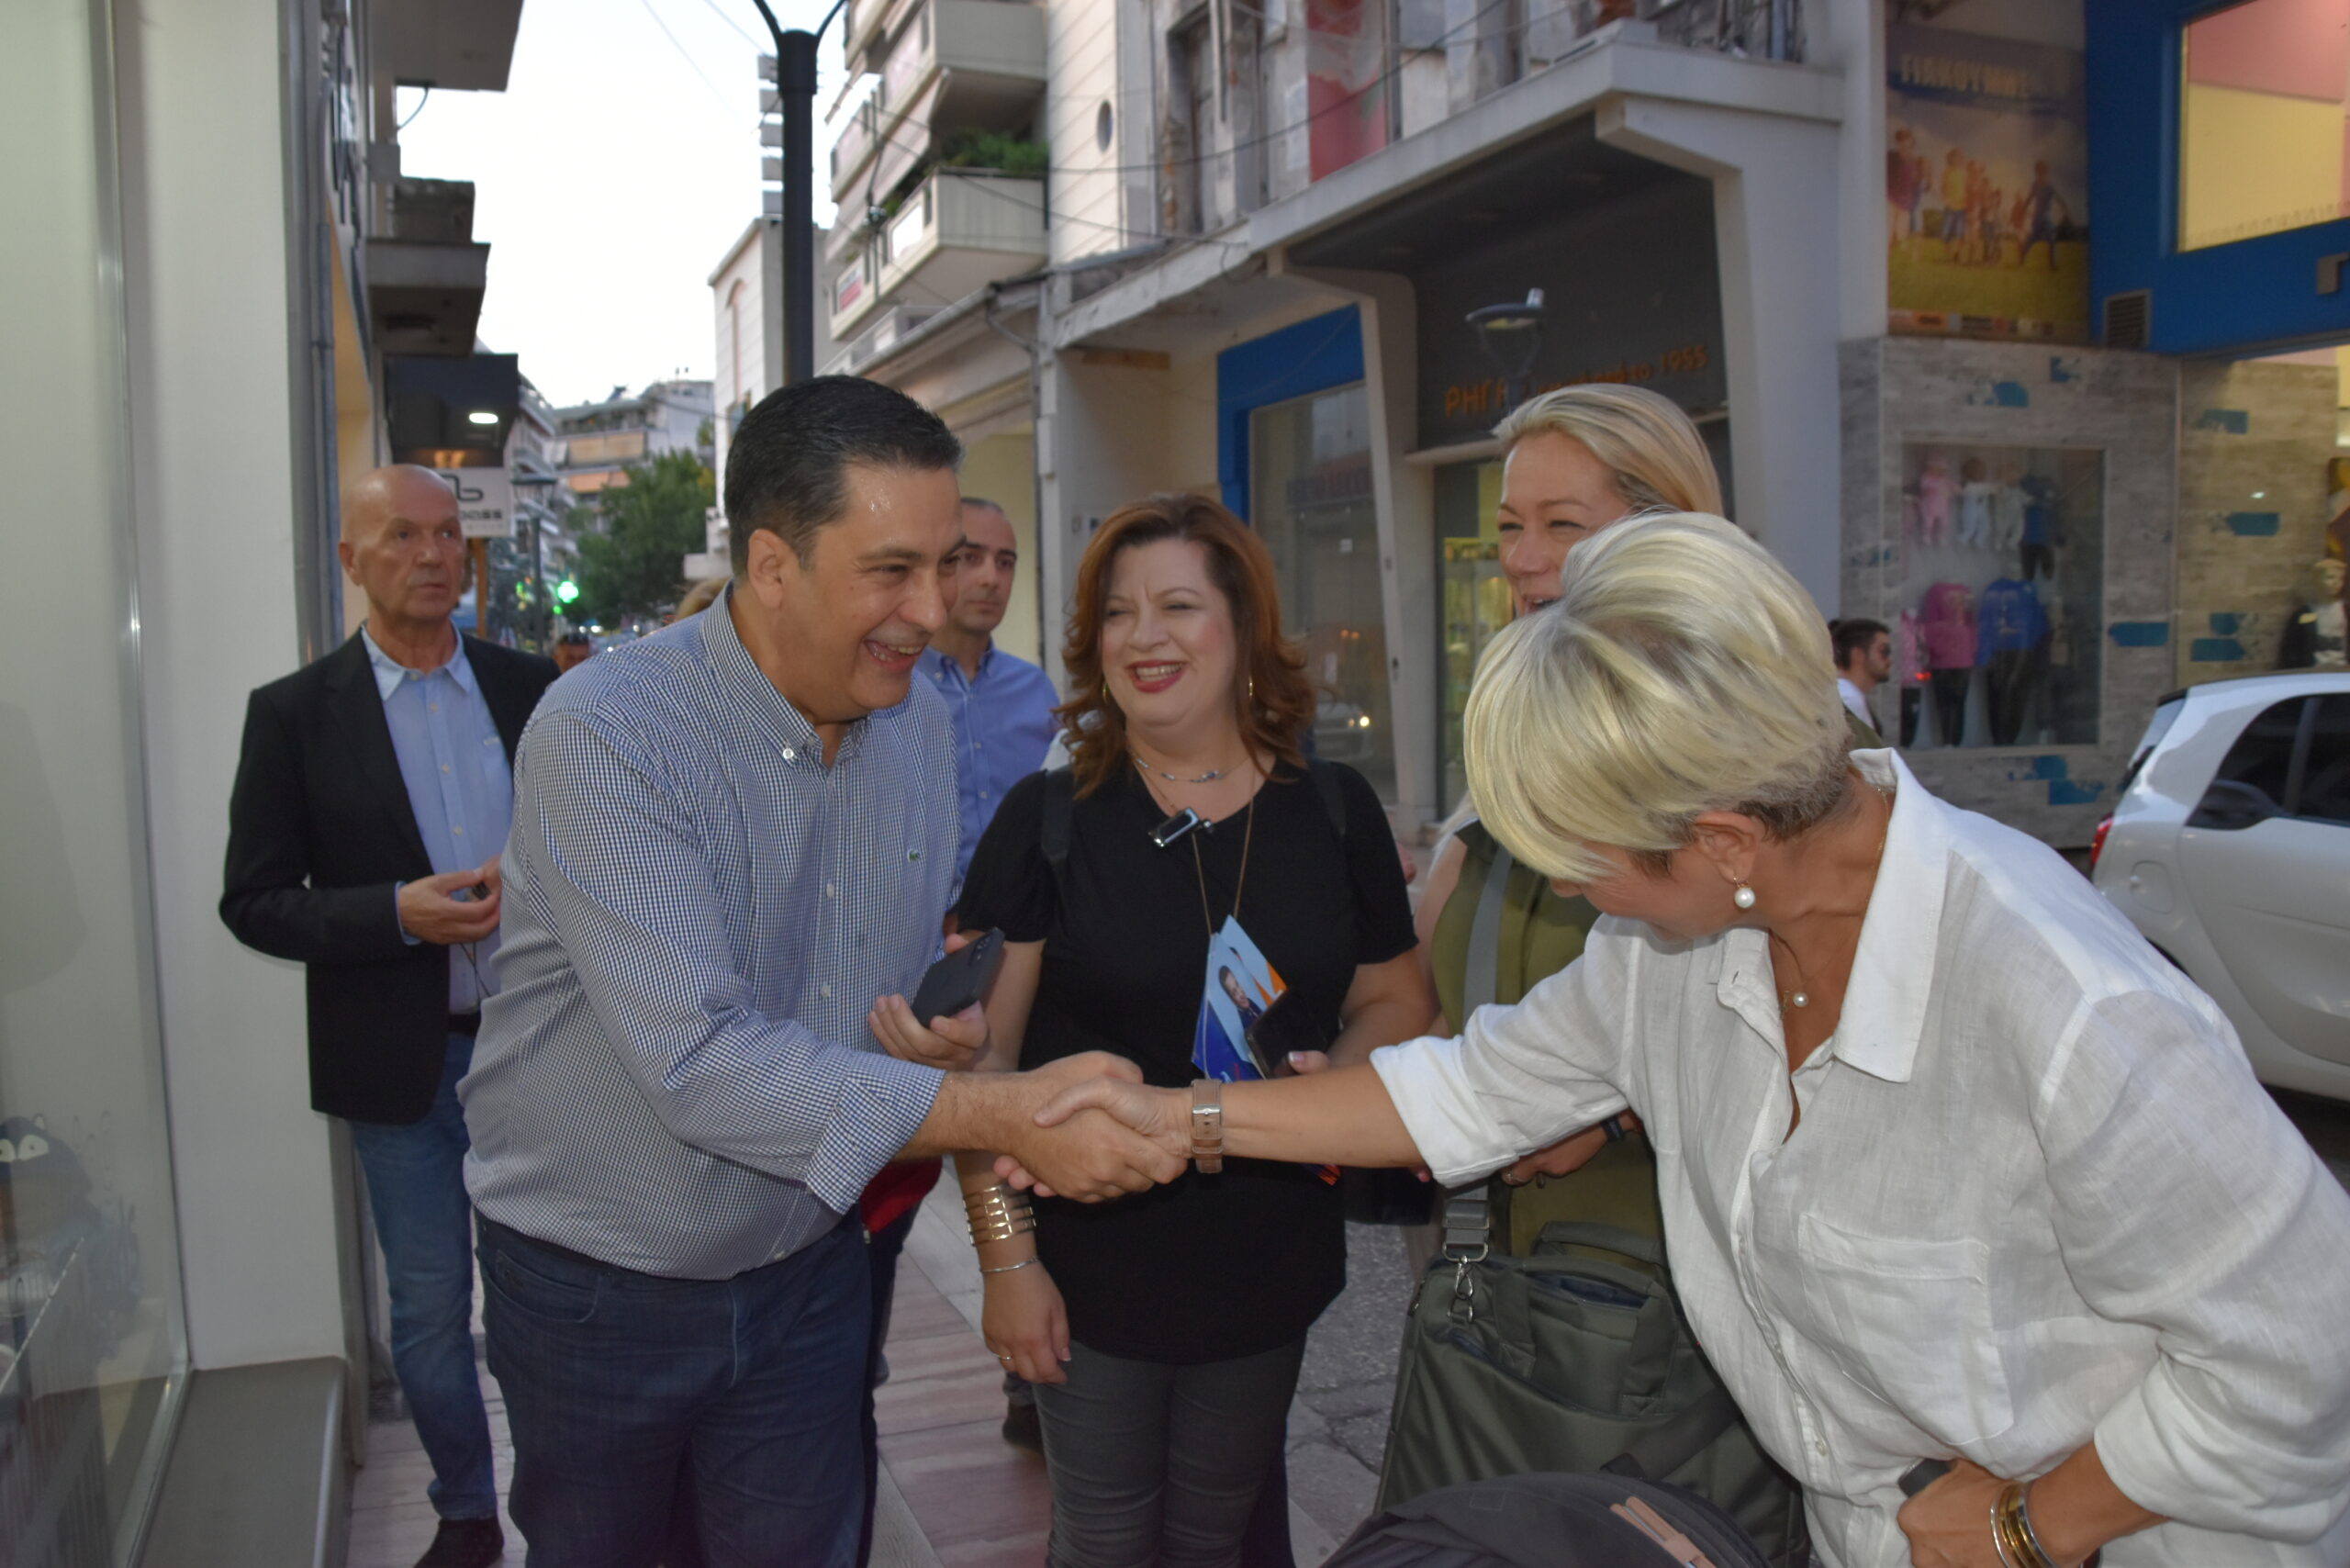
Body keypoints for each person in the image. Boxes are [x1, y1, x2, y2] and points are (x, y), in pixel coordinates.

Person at [1025, 511, 2350, 1568]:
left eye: (1579, 856)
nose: (1569, 887)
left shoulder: (2072, 1012)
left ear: (1719, 841)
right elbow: (1470, 1091)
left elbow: (2301, 1357)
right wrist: (1178, 1118)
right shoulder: (1680, 943)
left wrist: (2034, 1520)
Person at [457, 376, 1185, 1568]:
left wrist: (922, 1037)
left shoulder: (920, 725)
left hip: (809, 1269)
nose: (931, 610)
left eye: (946, 566)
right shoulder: (609, 732)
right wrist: (997, 1109)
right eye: (891, 571)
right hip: (601, 1286)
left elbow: (866, 993)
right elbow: (700, 1062)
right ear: (771, 564)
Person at [951, 493, 1434, 1568]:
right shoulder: (1046, 822)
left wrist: (1329, 1081)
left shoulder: (1335, 811)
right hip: (1088, 1266)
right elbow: (982, 1070)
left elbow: (1398, 999)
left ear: (1244, 627)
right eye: (1117, 613)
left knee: (1218, 1540)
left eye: (1176, 605)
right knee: (1105, 1543)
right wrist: (1005, 1262)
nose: (1144, 636)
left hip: (1268, 1255)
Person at [221, 465, 558, 1568]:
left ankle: (567, 1501)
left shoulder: (529, 689)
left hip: (539, 1051)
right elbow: (253, 901)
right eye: (404, 535)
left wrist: (537, 883)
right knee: (427, 1310)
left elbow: (596, 845)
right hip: (399, 1071)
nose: (433, 555)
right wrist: (394, 914)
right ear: (350, 559)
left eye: (448, 534)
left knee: (553, 1295)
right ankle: (466, 1510)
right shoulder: (294, 715)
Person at [893, 495, 1061, 1462]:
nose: (988, 577)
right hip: (908, 967)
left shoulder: (1038, 697)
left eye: (1004, 560)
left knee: (1008, 1140)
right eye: (966, 557)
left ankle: (1029, 1373)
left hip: (1017, 959)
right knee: (892, 1177)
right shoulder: (886, 683)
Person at [1831, 617, 1891, 733]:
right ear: (1858, 654)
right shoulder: (1849, 698)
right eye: (1884, 651)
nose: (1890, 660)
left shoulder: (1848, 694)